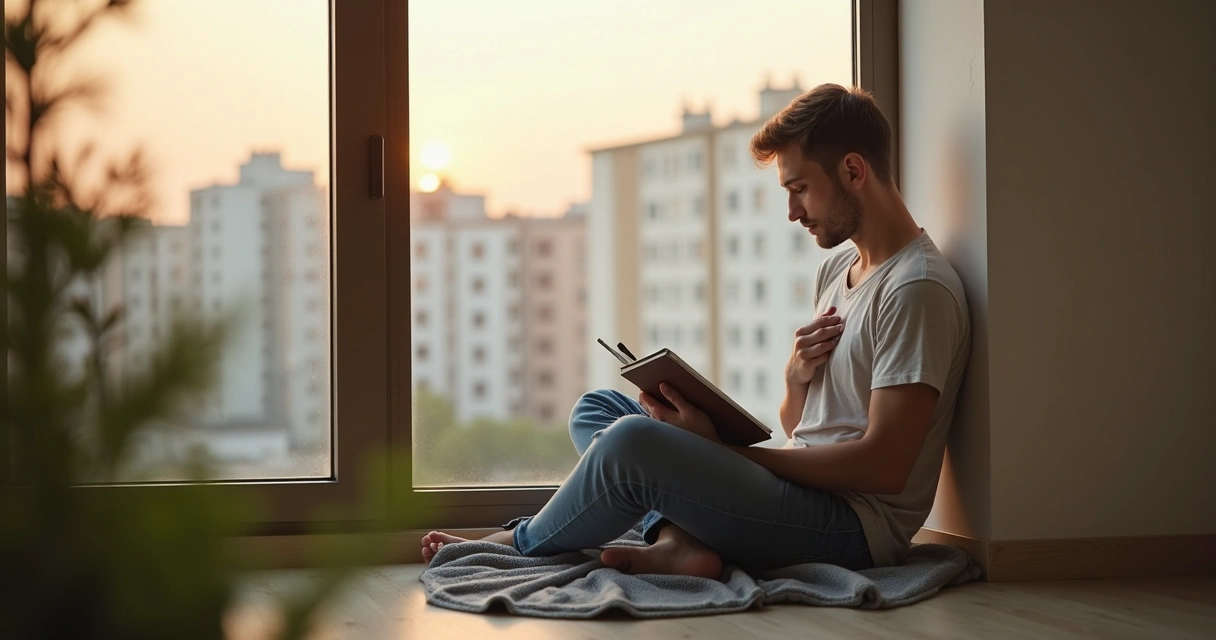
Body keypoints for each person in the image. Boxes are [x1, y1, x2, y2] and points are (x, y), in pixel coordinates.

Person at [420, 83, 971, 577]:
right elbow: (800, 428)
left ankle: (517, 542)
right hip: (799, 492)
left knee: (631, 442)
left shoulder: (915, 289)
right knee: (600, 410)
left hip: (850, 528)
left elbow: (884, 467)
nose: (791, 211)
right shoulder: (837, 270)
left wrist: (723, 450)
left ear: (853, 171)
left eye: (799, 188)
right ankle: (677, 542)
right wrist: (795, 377)